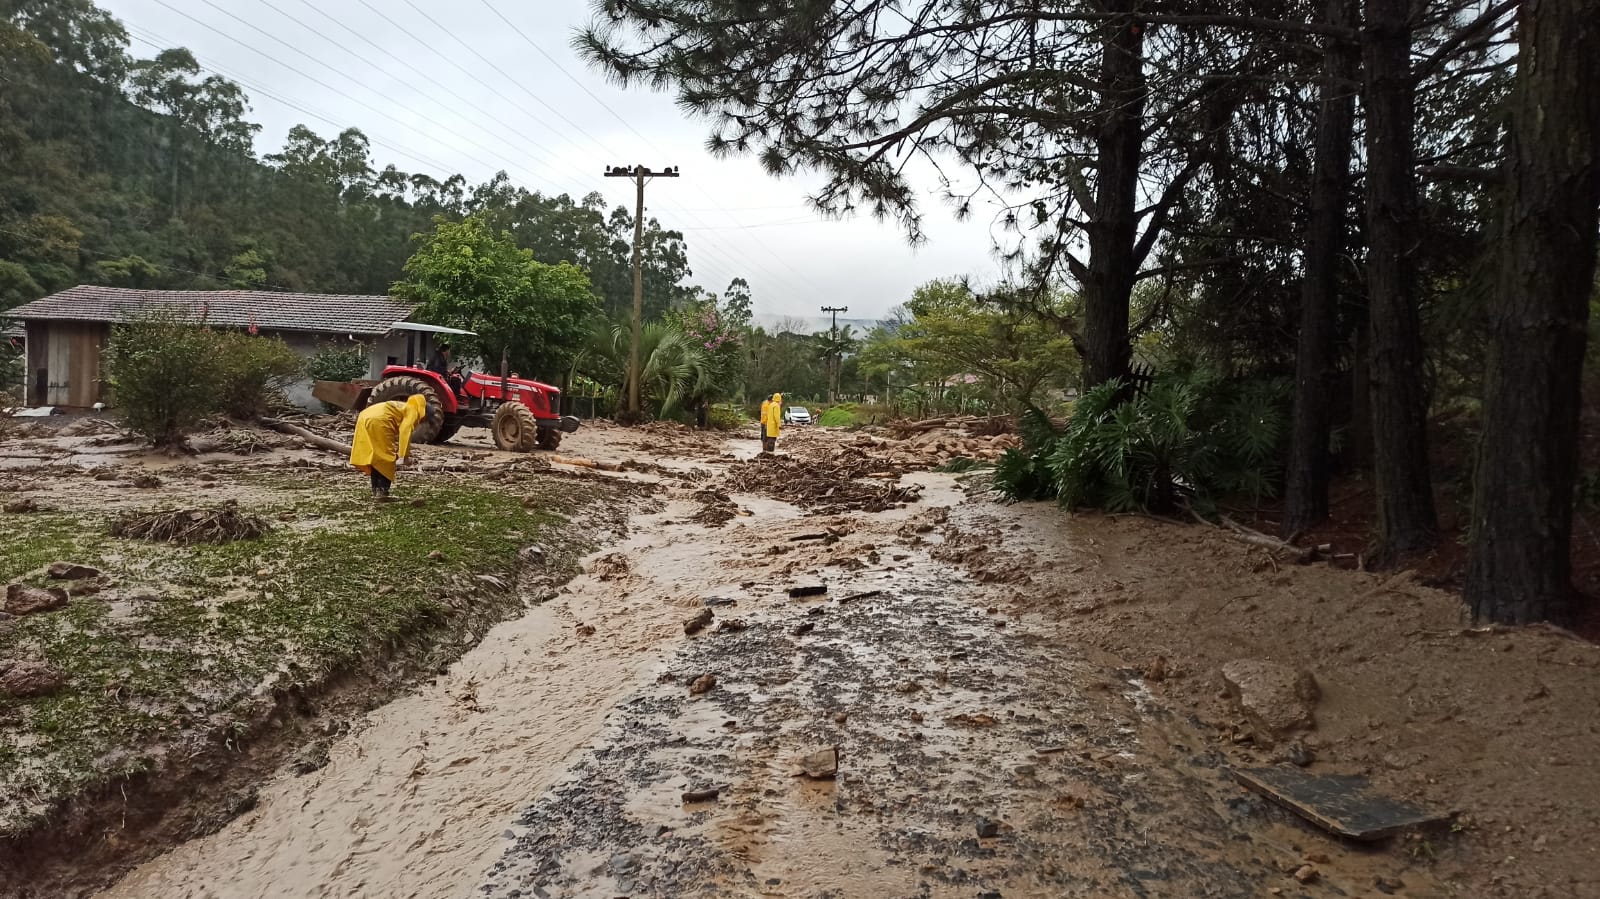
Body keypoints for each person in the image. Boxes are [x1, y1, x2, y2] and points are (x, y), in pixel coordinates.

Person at [349, 394, 428, 499]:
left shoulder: (402, 406)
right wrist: (403, 456)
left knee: (376, 456)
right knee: (386, 457)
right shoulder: (413, 411)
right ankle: (382, 492)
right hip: (379, 420)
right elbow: (405, 431)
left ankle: (376, 490)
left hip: (364, 416)